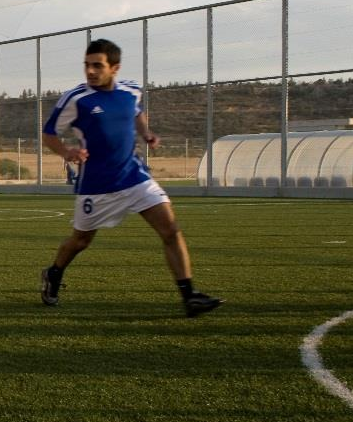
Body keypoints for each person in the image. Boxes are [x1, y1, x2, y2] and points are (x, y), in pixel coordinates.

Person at [39, 38, 223, 318]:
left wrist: (146, 132)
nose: (90, 71)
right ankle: (54, 273)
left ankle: (190, 296)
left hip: (135, 177)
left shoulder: (131, 91)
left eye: (97, 66)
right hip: (96, 186)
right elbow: (49, 133)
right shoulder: (76, 99)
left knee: (171, 230)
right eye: (87, 65)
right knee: (80, 241)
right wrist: (66, 152)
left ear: (115, 68)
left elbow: (136, 113)